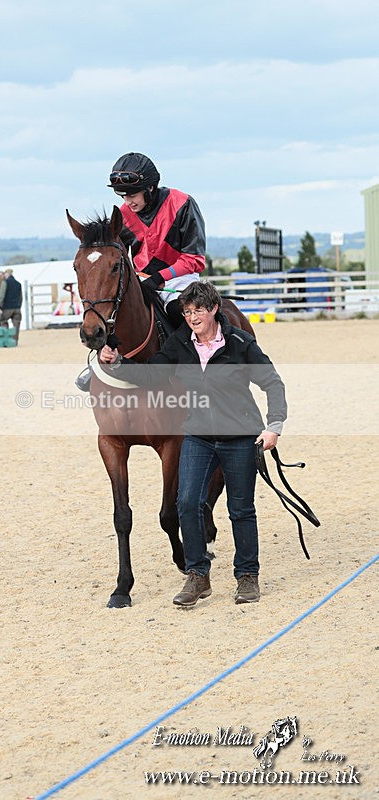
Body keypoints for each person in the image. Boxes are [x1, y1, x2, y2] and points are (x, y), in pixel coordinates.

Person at [99, 281, 287, 607]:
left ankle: (246, 577)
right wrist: (117, 363)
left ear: (213, 309)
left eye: (198, 310)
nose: (192, 317)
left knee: (240, 509)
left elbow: (272, 381)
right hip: (198, 437)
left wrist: (274, 425)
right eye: (186, 311)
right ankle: (198, 574)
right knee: (186, 504)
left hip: (239, 436)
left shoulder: (240, 343)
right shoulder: (180, 345)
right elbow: (150, 374)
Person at [108, 151, 206, 329]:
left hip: (180, 280)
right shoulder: (123, 215)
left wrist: (158, 277)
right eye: (123, 196)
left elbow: (194, 260)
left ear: (150, 188)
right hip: (142, 282)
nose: (127, 202)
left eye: (132, 195)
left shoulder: (182, 204)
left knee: (180, 314)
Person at [0, 268, 23, 344]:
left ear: (7, 274)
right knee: (16, 324)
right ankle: (14, 341)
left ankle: (6, 340)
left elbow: (1, 295)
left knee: (3, 321)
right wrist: (19, 306)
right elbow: (21, 297)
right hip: (17, 308)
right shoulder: (18, 284)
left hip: (7, 308)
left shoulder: (5, 283)